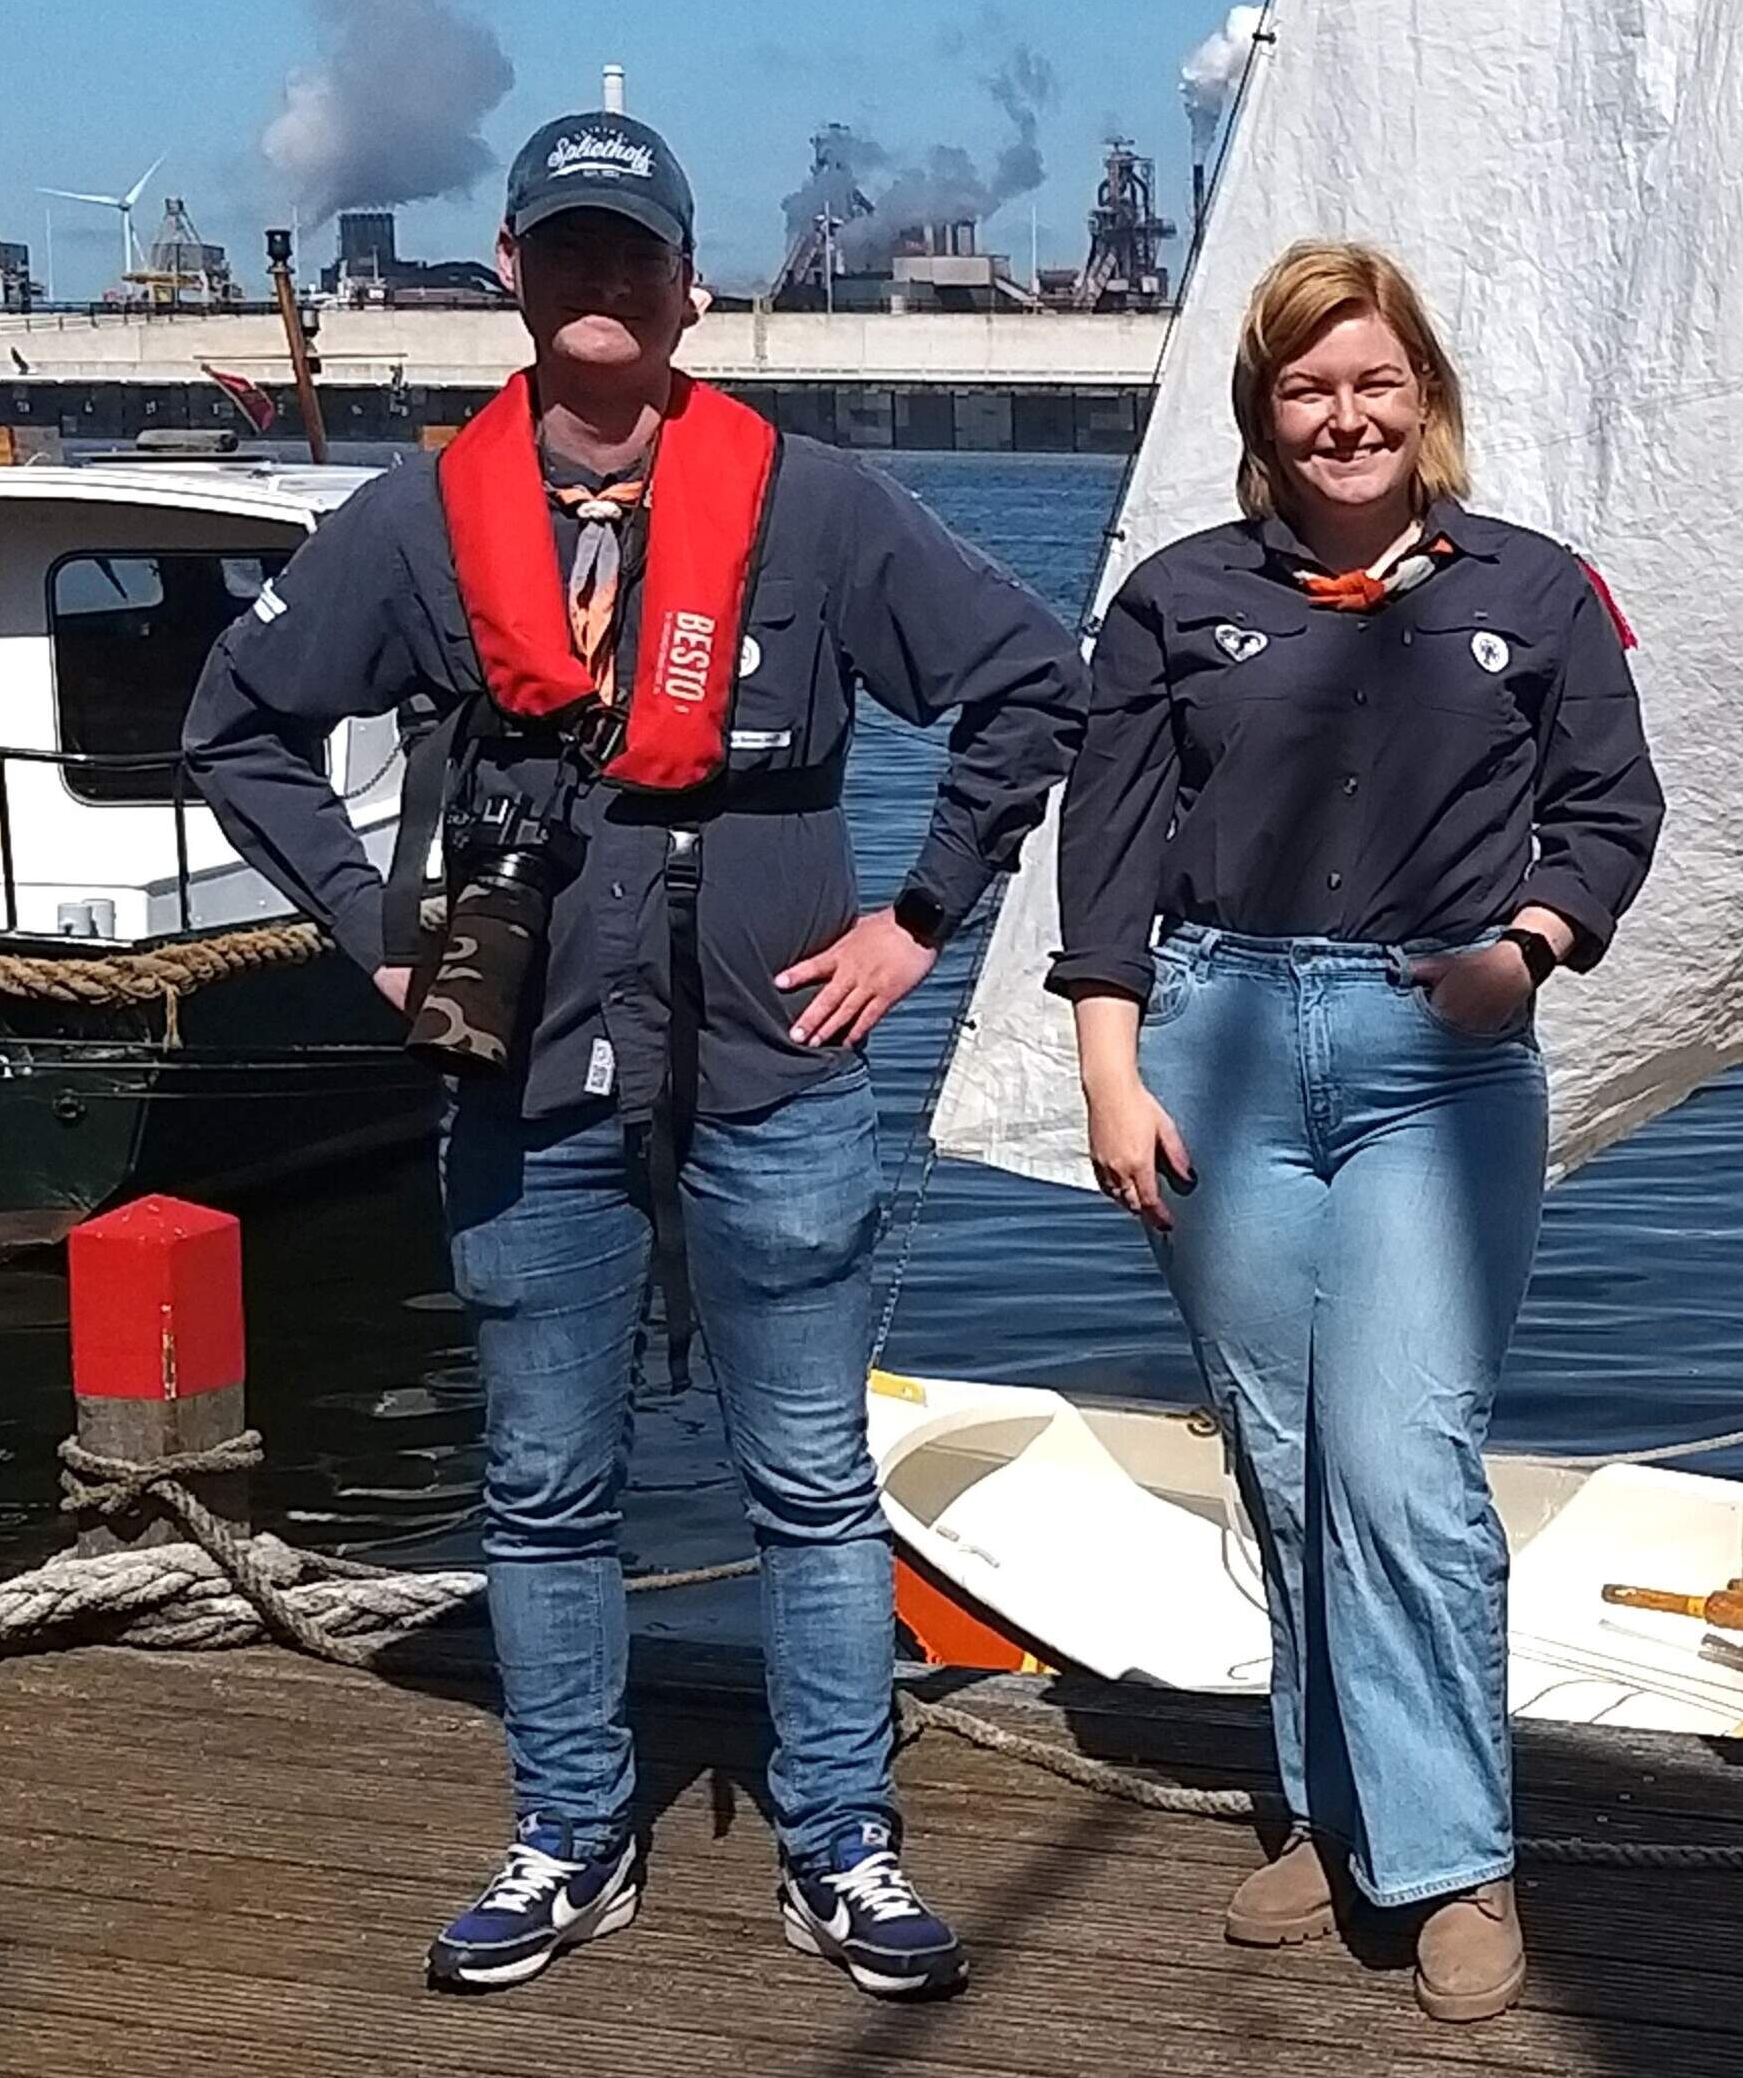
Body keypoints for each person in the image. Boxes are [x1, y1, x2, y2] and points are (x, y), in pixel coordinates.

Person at [184, 113, 1083, 2003]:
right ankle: (566, 1832)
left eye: (634, 255)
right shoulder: (424, 517)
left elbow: (1030, 682)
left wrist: (920, 918)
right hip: (524, 1070)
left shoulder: (817, 508)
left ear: (690, 288)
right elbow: (239, 725)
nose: (601, 284)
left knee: (814, 1481)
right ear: (511, 274)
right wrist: (374, 925)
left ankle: (840, 1838)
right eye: (565, 250)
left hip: (777, 1063)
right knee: (540, 1483)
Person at [1048, 240, 1661, 2026]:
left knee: (1401, 1461)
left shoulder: (1533, 595)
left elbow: (1610, 813)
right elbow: (1106, 855)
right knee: (1287, 1458)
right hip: (1218, 1043)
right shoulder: (1176, 599)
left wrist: (1528, 948)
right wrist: (1109, 1067)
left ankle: (1455, 1855)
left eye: (1375, 381)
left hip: (1435, 1058)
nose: (1346, 415)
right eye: (1308, 387)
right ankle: (1337, 1809)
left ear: (1428, 399)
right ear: (1264, 416)